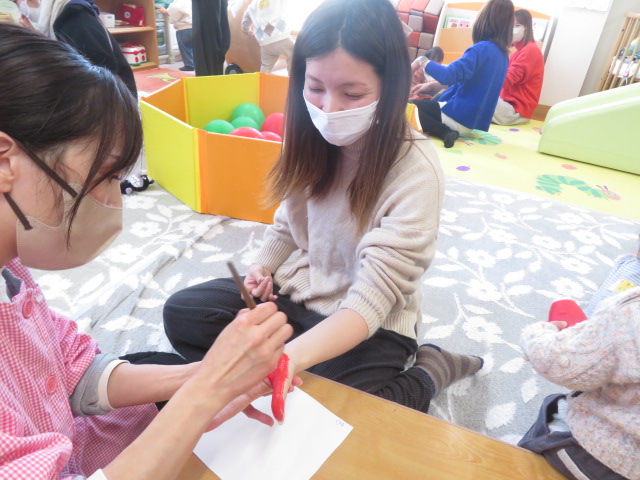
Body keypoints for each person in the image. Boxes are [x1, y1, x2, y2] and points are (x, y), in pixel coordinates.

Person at [0, 24, 295, 479]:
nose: (114, 204)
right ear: (5, 161)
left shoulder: (11, 271)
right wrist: (206, 389)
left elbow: (71, 369)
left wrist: (207, 378)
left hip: (72, 439)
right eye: (103, 177)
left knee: (163, 367)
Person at [163, 0, 483, 418]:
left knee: (347, 415)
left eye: (352, 94)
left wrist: (288, 358)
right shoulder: (310, 135)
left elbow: (372, 298)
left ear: (389, 87)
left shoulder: (415, 170)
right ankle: (289, 362)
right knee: (185, 313)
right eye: (315, 87)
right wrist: (262, 268)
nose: (328, 109)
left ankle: (431, 369)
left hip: (368, 319)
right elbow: (287, 225)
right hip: (299, 293)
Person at [518, 282, 640, 479]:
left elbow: (560, 365)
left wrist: (537, 335)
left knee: (552, 405)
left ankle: (515, 461)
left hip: (595, 456)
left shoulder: (630, 310)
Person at [409, 0, 513, 148]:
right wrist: (435, 85)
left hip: (457, 116)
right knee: (419, 105)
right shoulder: (503, 56)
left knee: (403, 109)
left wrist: (422, 60)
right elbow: (470, 81)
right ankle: (445, 130)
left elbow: (447, 75)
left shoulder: (480, 49)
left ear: (483, 21)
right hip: (470, 121)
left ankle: (444, 131)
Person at [37, 0, 137, 97]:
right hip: (101, 94)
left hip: (113, 99)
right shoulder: (60, 17)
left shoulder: (74, 18)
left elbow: (104, 76)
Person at [492, 9, 545, 125]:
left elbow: (506, 80)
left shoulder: (530, 50)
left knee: (473, 95)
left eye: (517, 26)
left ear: (527, 28)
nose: (512, 30)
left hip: (514, 111)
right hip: (508, 106)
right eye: (510, 26)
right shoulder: (518, 53)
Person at [241, 0, 294, 74]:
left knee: (266, 66)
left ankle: (262, 80)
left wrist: (246, 31)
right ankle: (292, 77)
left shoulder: (252, 6)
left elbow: (245, 23)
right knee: (293, 54)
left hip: (265, 43)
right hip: (281, 36)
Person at [157, 0, 194, 71]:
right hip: (193, 26)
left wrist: (166, 11)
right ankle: (195, 63)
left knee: (184, 47)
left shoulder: (180, 1)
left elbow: (175, 9)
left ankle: (189, 65)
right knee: (193, 47)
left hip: (184, 27)